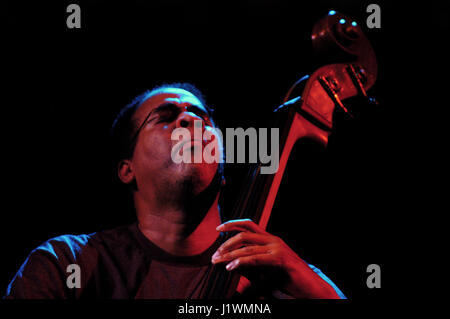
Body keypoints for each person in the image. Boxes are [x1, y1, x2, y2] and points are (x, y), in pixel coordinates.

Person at [4, 83, 346, 299]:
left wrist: (312, 288)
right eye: (165, 116)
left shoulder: (278, 275)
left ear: (222, 169)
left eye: (200, 116)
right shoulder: (68, 263)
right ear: (128, 170)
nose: (189, 120)